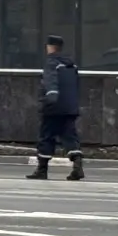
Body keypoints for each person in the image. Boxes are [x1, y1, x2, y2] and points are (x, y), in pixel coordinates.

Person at [30, 35, 83, 181]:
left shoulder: (51, 62)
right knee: (70, 136)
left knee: (46, 136)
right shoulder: (71, 65)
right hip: (70, 107)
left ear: (49, 47)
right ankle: (77, 166)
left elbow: (50, 81)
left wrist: (50, 99)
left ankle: (42, 170)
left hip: (53, 108)